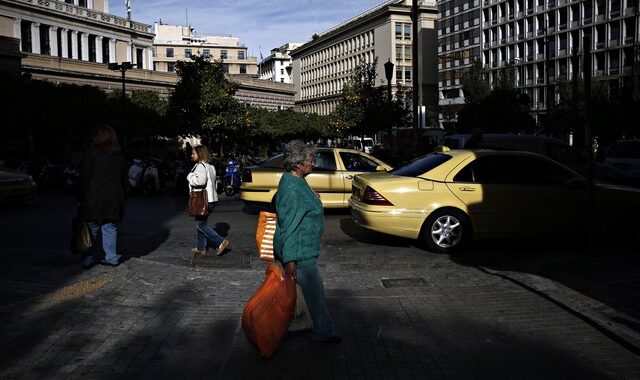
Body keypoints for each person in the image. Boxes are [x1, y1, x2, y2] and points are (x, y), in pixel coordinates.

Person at [273, 140, 340, 344]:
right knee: (315, 296)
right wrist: (290, 260)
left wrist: (313, 197)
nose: (313, 163)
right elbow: (289, 227)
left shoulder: (296, 180)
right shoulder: (293, 189)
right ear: (297, 164)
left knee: (312, 295)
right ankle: (324, 332)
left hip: (303, 252)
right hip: (300, 255)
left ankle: (321, 330)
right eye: (310, 160)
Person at [79, 125, 128, 268]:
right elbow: (124, 179)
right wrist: (124, 197)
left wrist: (80, 197)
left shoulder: (91, 154)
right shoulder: (119, 156)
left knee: (91, 227)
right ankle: (111, 257)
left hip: (93, 197)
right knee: (109, 226)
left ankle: (89, 258)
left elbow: (84, 178)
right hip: (113, 198)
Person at [187, 145, 229, 256]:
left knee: (200, 225)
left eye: (194, 153)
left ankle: (220, 241)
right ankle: (201, 248)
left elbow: (200, 181)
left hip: (202, 200)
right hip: (211, 199)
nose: (192, 155)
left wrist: (190, 176)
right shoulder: (210, 166)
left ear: (200, 154)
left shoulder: (200, 166)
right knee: (201, 223)